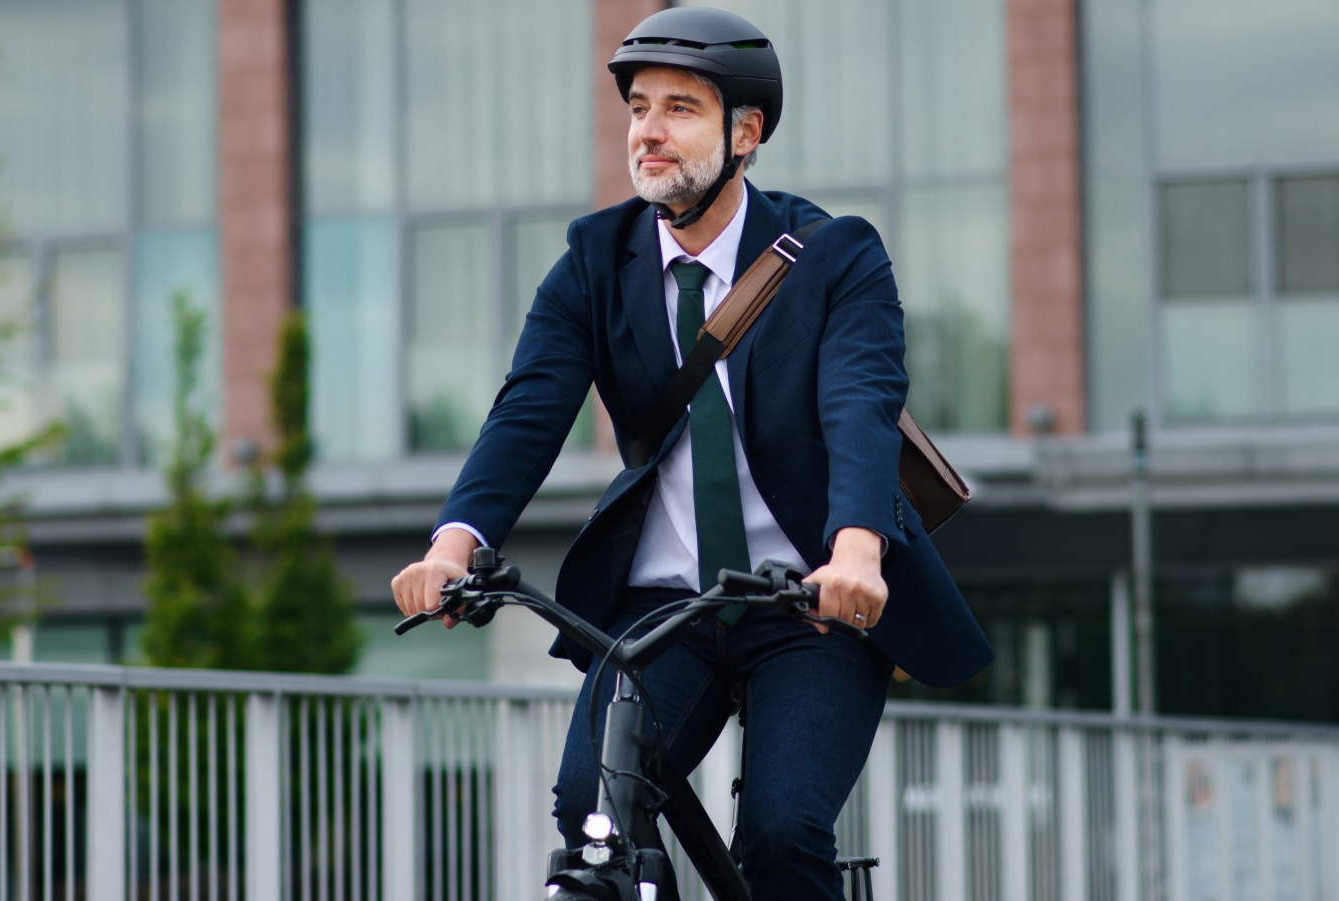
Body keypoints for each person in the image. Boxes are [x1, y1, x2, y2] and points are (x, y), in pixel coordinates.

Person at [390, 7, 993, 896]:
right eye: (639, 107)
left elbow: (860, 406)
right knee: (592, 813)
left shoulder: (834, 255)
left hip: (808, 602)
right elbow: (527, 411)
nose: (648, 131)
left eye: (680, 109)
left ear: (745, 133)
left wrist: (858, 550)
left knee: (783, 834)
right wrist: (454, 544)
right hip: (667, 606)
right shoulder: (595, 260)